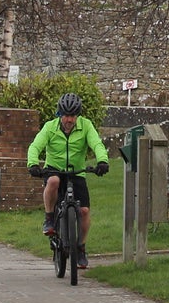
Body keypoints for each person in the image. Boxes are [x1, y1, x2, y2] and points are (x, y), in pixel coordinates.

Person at [27, 92, 109, 268]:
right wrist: (33, 164)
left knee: (85, 211)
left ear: (77, 116)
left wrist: (102, 161)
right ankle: (49, 217)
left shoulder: (86, 126)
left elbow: (96, 144)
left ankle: (80, 247)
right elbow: (35, 146)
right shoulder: (50, 127)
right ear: (59, 114)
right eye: (65, 115)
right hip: (54, 170)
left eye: (72, 116)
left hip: (76, 172)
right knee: (54, 181)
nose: (69, 120)